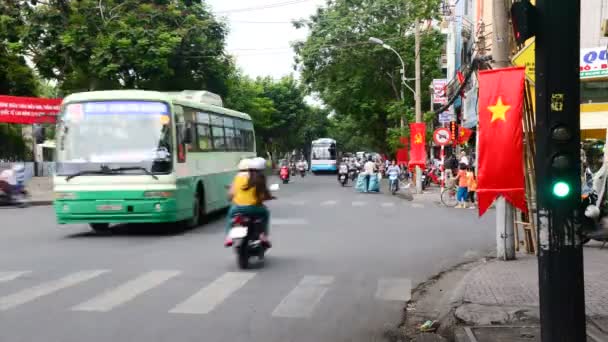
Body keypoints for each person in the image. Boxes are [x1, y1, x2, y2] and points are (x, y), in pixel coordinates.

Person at [225, 157, 272, 247]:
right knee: (266, 213)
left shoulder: (237, 178)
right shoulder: (259, 178)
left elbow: (230, 195)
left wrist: (231, 199)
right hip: (255, 208)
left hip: (237, 208)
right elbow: (262, 195)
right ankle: (263, 235)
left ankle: (229, 237)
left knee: (229, 216)